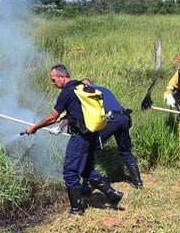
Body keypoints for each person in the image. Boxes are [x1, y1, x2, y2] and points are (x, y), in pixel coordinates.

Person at [26, 64, 123, 216]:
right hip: (93, 134)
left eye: (54, 80)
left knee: (70, 172)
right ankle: (112, 194)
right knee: (85, 169)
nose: (53, 83)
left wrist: (35, 127)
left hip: (80, 137)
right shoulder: (81, 87)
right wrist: (66, 117)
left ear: (62, 77)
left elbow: (52, 117)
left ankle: (76, 210)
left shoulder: (67, 92)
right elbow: (79, 110)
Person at [79, 78, 144, 189]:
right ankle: (137, 182)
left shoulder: (88, 92)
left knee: (91, 147)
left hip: (111, 120)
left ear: (84, 86)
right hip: (124, 118)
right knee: (125, 150)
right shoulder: (104, 89)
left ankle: (88, 184)